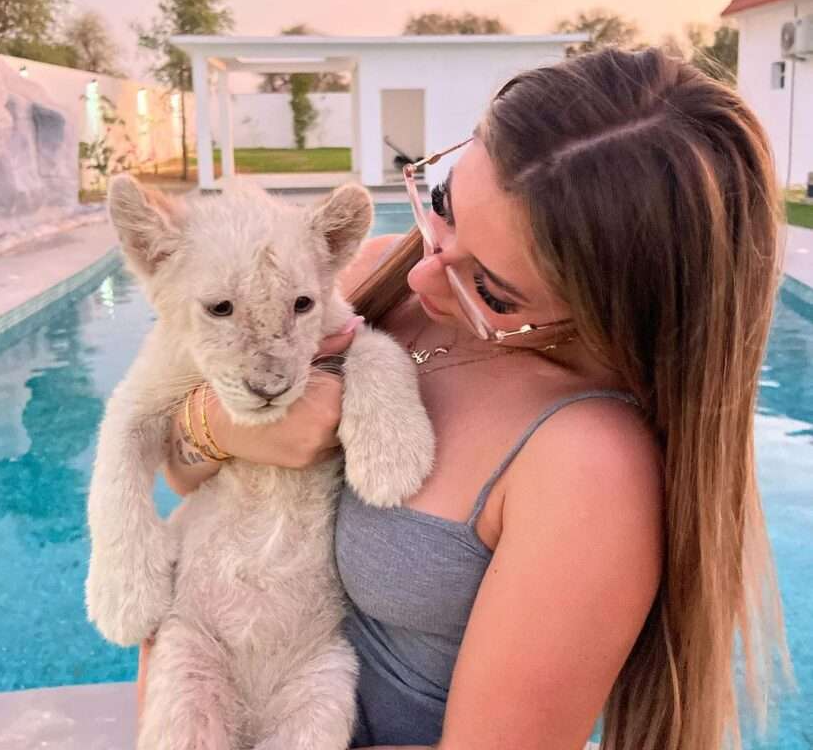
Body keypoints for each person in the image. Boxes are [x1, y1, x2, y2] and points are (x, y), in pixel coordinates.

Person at [143, 48, 786, 750]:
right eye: (443, 204)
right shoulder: (364, 279)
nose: (421, 274)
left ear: (615, 310)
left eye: (493, 290)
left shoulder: (586, 464)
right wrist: (222, 429)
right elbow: (179, 472)